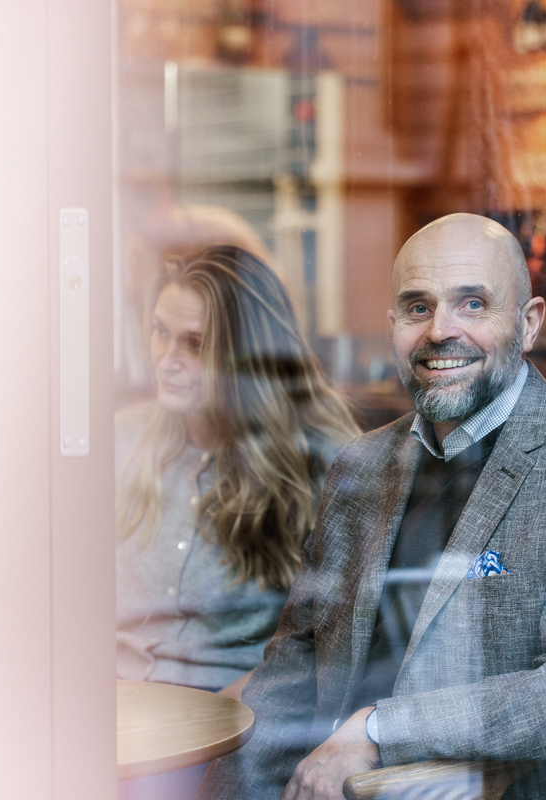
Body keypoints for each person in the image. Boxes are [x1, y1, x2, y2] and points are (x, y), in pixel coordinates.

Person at [198, 214, 546, 800]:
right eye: (418, 308)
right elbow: (294, 667)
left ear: (528, 324)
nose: (440, 330)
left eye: (472, 304)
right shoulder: (359, 466)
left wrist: (378, 730)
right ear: (393, 323)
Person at [116, 245, 359, 695]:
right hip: (117, 711)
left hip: (234, 721)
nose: (167, 359)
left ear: (247, 359)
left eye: (195, 344)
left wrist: (227, 722)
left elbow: (335, 645)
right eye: (160, 332)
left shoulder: (320, 462)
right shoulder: (121, 443)